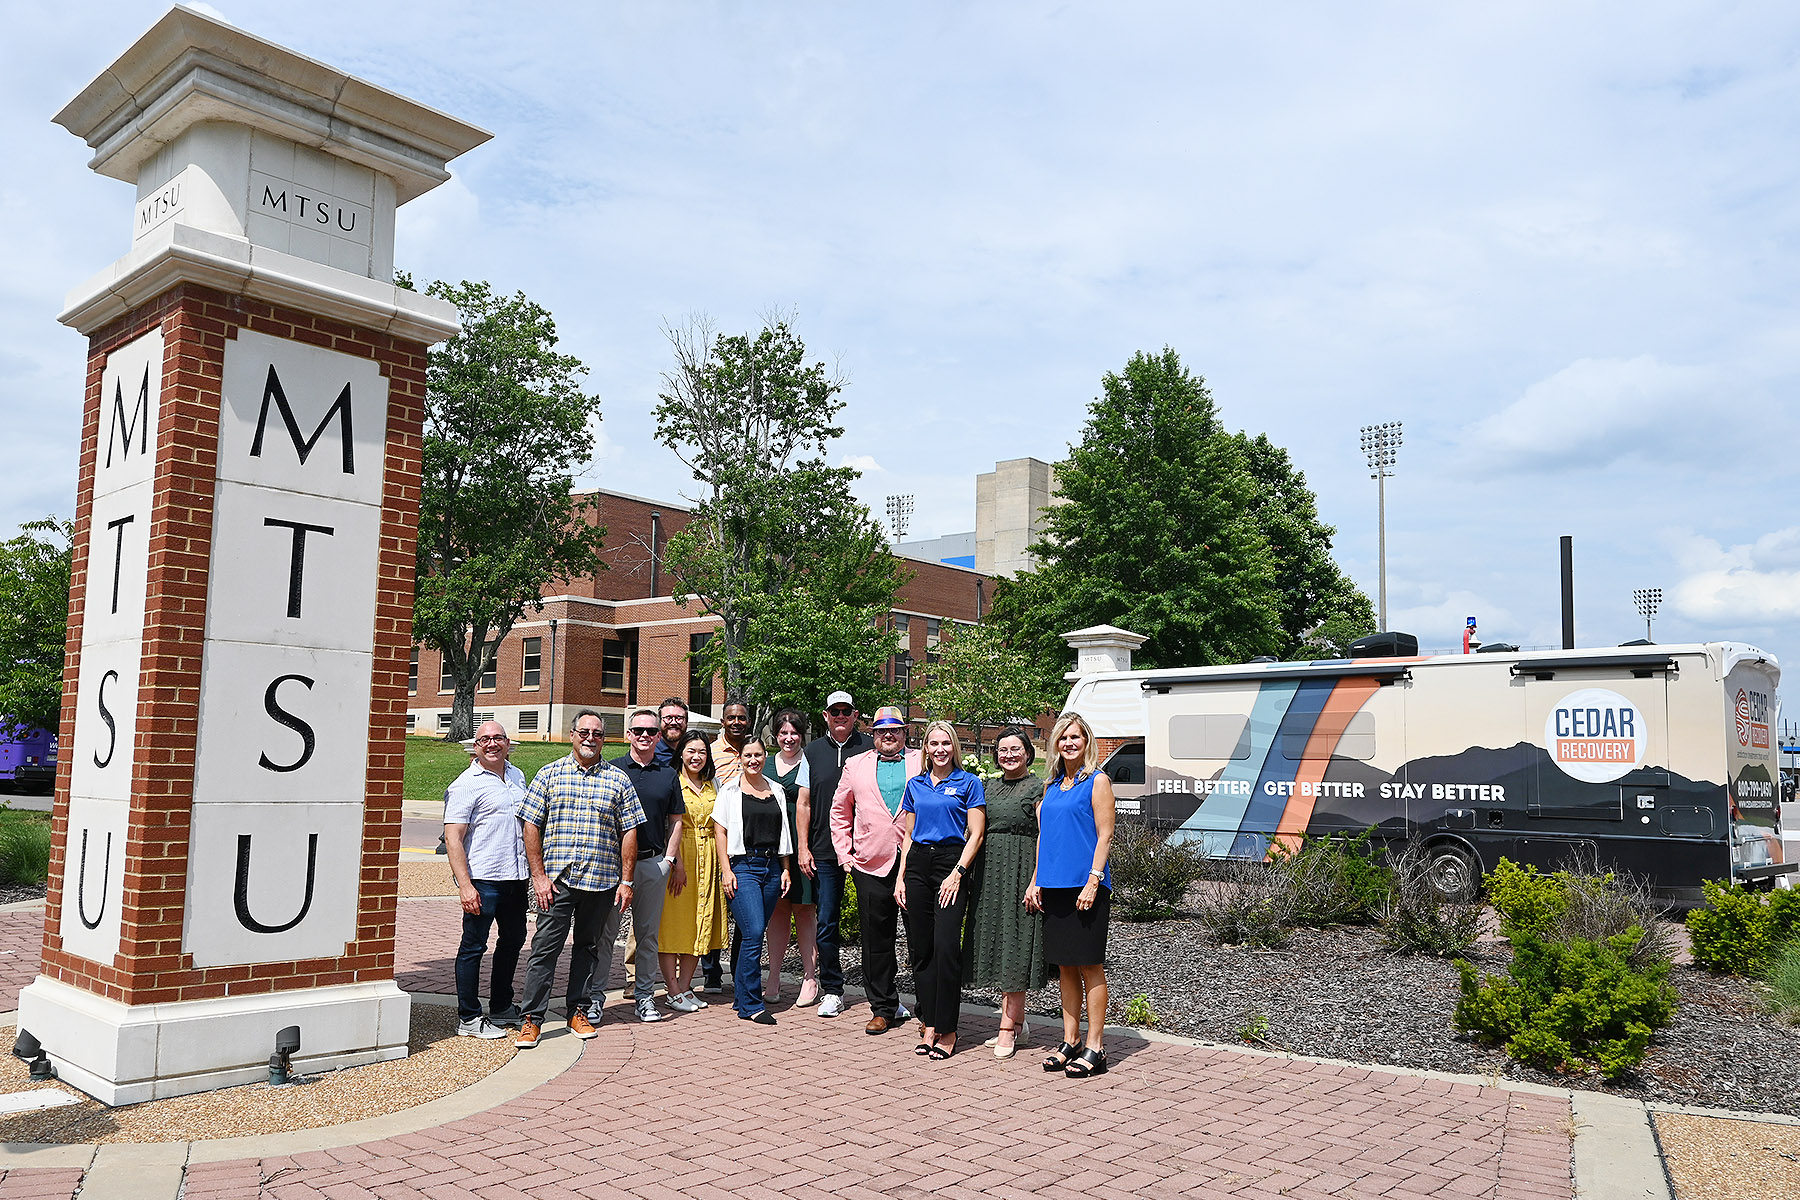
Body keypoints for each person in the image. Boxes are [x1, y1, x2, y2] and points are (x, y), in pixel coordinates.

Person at [513, 709, 646, 1049]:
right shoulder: (549, 774)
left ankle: (579, 1011)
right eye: (584, 732)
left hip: (602, 882)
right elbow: (531, 824)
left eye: (597, 734)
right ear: (572, 734)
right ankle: (532, 1019)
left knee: (589, 949)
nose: (590, 738)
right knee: (545, 950)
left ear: (605, 739)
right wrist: (538, 877)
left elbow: (629, 831)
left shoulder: (618, 780)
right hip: (557, 882)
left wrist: (626, 880)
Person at [1026, 712, 1116, 1079]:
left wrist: (1093, 881)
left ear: (1086, 742)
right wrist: (1035, 880)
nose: (1069, 743)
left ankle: (1096, 1045)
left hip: (1086, 888)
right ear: (1055, 744)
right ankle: (1070, 1040)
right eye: (1063, 737)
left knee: (1089, 964)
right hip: (1054, 887)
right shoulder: (1050, 787)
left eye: (1076, 737)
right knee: (1065, 965)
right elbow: (1044, 839)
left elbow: (1105, 835)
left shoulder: (1098, 781)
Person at [895, 720, 987, 1060]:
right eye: (933, 743)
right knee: (921, 950)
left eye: (945, 743)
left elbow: (975, 834)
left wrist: (957, 873)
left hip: (952, 863)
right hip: (917, 865)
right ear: (925, 749)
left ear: (954, 747)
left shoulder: (969, 783)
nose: (939, 749)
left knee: (947, 947)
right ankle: (929, 1024)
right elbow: (907, 835)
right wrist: (900, 877)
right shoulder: (915, 785)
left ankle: (948, 1028)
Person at [829, 706, 920, 1035]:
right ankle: (883, 1007)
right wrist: (845, 855)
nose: (889, 736)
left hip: (915, 863)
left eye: (895, 730)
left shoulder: (921, 760)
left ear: (905, 732)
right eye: (882, 731)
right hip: (870, 862)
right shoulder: (855, 765)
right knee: (875, 941)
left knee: (921, 937)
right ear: (873, 734)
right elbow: (839, 812)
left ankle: (927, 1006)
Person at [594, 707, 686, 1023]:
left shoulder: (668, 774)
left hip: (652, 864)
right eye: (638, 731)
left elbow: (676, 821)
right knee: (604, 935)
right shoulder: (612, 770)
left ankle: (645, 997)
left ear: (658, 735)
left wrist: (668, 860)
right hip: (612, 868)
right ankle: (596, 998)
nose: (644, 735)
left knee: (647, 936)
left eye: (651, 731)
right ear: (629, 735)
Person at [965, 726, 1049, 1059]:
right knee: (1000, 944)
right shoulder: (988, 787)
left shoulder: (1038, 788)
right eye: (1002, 750)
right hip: (990, 873)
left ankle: (1005, 1028)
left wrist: (1036, 880)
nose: (1009, 755)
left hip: (1022, 870)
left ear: (1028, 753)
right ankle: (1019, 1023)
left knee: (1016, 943)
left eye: (1015, 749)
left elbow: (1046, 835)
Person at [444, 719, 529, 1038]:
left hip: (515, 878)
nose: (492, 744)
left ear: (507, 743)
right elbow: (453, 838)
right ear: (475, 747)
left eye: (498, 738)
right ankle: (468, 1017)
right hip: (483, 880)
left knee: (512, 942)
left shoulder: (517, 776)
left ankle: (502, 1006)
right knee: (473, 946)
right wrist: (465, 886)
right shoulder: (466, 783)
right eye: (485, 740)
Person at [799, 691, 871, 1019]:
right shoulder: (811, 752)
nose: (840, 716)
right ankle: (832, 989)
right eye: (834, 711)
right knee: (827, 921)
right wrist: (803, 846)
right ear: (825, 715)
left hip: (869, 849)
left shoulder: (870, 747)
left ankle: (882, 991)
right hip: (825, 850)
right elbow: (804, 803)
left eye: (846, 711)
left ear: (855, 715)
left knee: (876, 923)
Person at [713, 736, 792, 1025]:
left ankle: (740, 995)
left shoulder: (777, 790)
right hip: (743, 866)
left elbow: (783, 831)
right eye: (748, 755)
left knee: (749, 933)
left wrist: (785, 868)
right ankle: (750, 1004)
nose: (753, 760)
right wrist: (726, 870)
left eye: (758, 755)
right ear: (740, 758)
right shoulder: (730, 791)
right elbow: (719, 832)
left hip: (772, 867)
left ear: (764, 757)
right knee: (755, 930)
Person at [657, 730, 726, 1011]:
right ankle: (672, 989)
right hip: (681, 854)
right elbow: (667, 825)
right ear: (681, 753)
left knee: (700, 923)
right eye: (691, 751)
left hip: (709, 855)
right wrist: (677, 864)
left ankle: (685, 988)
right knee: (673, 924)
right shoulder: (672, 782)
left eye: (702, 752)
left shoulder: (713, 784)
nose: (696, 757)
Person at [765, 709, 819, 1005]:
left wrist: (805, 847)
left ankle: (810, 977)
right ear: (776, 734)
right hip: (772, 845)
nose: (788, 738)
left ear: (802, 734)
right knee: (777, 910)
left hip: (801, 843)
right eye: (783, 733)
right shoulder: (765, 763)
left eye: (794, 733)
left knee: (804, 909)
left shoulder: (809, 764)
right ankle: (773, 974)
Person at [653, 697, 689, 766]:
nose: (673, 722)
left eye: (679, 718)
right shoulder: (649, 753)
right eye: (668, 718)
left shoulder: (693, 752)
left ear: (686, 721)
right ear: (659, 722)